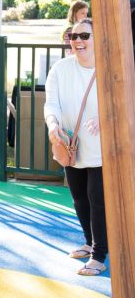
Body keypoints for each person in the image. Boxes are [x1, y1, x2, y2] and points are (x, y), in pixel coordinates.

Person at [44, 18, 106, 277]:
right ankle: (90, 241)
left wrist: (105, 116)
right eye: (73, 35)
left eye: (84, 36)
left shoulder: (109, 67)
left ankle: (99, 255)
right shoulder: (60, 68)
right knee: (79, 198)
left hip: (102, 148)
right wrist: (52, 124)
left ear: (96, 38)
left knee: (97, 200)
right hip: (71, 144)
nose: (78, 41)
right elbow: (51, 103)